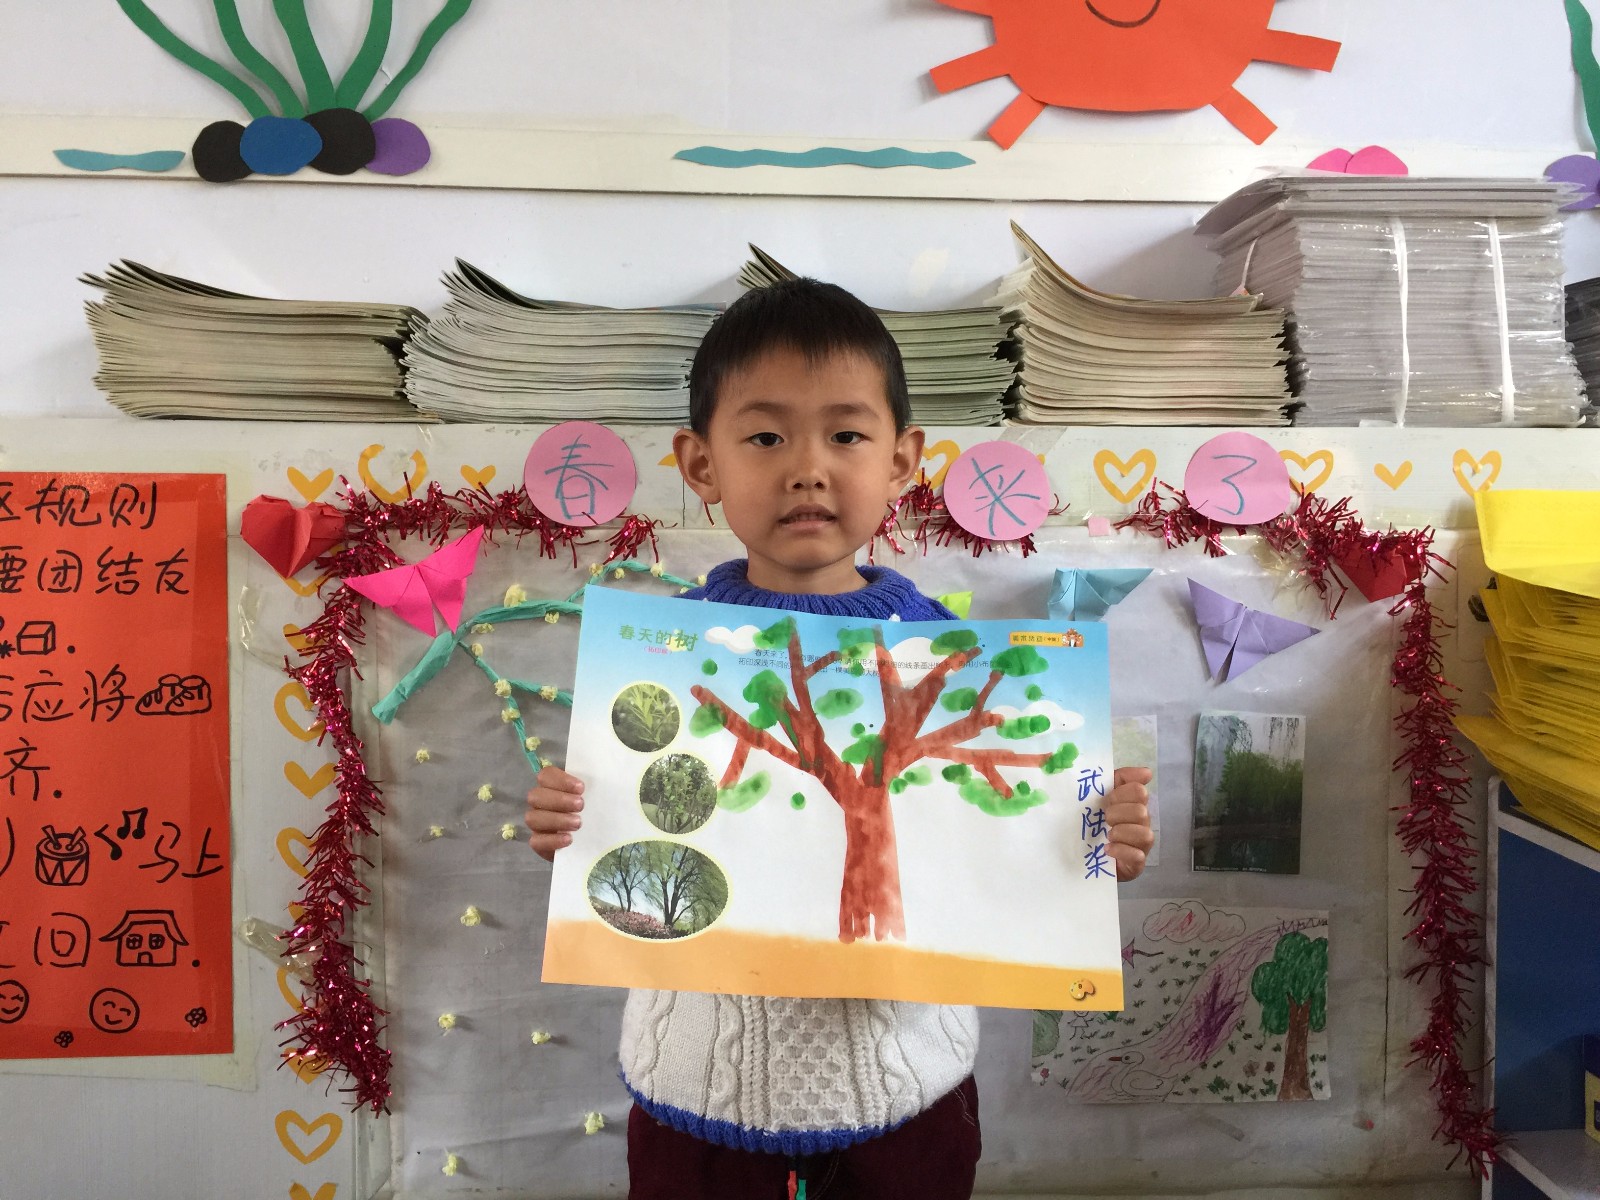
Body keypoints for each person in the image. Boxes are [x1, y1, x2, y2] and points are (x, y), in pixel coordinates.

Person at [527, 278, 1154, 1200]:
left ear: (903, 460)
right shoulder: (657, 666)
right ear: (700, 464)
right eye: (766, 437)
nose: (808, 469)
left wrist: (1095, 842)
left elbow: (1007, 855)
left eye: (847, 436)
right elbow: (625, 854)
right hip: (694, 1094)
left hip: (908, 1098)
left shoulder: (954, 659)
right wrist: (572, 825)